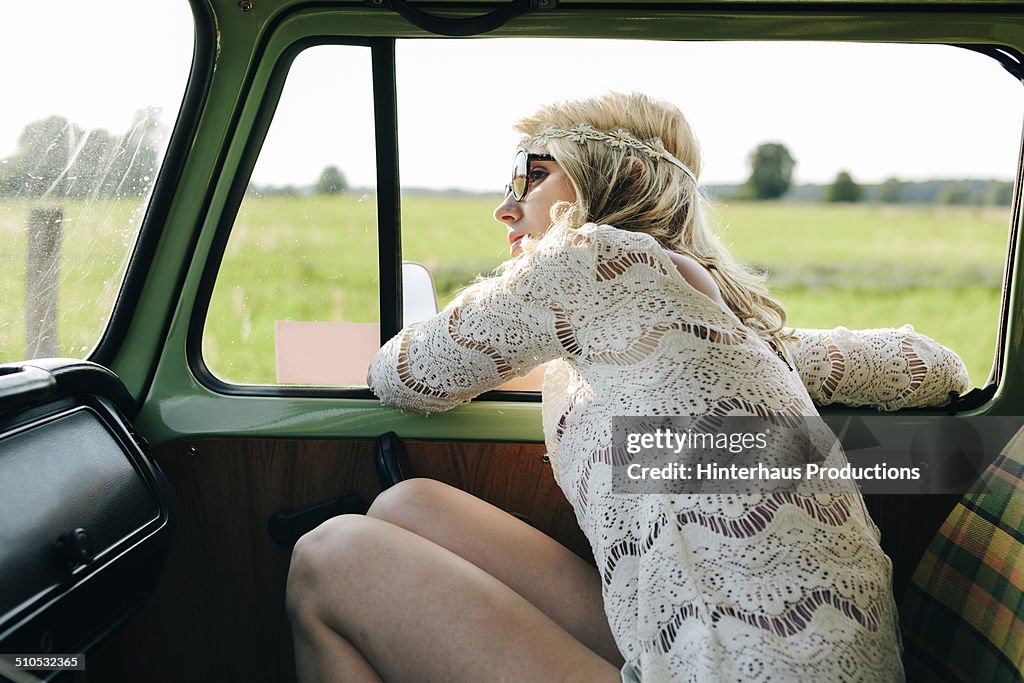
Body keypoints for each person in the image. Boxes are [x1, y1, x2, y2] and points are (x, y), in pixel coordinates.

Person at [286, 92, 967, 682]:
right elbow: (933, 364)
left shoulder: (594, 256)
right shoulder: (732, 334)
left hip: (729, 666)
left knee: (328, 557)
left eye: (532, 173)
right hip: (737, 649)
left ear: (626, 175)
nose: (505, 205)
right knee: (409, 506)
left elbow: (405, 374)